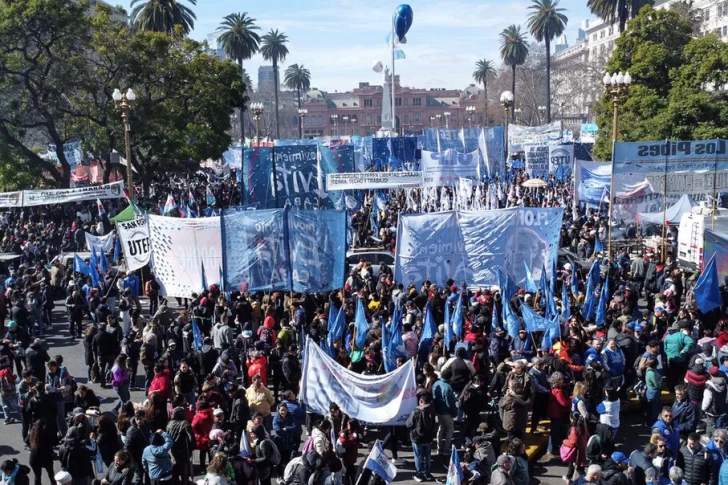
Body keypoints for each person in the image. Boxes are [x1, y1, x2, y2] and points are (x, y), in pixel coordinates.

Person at [407, 390, 436, 482]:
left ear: (421, 401)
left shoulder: (415, 411)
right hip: (428, 438)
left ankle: (419, 474)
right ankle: (428, 473)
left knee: (418, 456)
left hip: (417, 438)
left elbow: (409, 424)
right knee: (428, 456)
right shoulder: (431, 410)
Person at [432, 368, 457, 459]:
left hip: (438, 411)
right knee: (450, 430)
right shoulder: (448, 387)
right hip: (446, 412)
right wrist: (454, 412)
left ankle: (439, 448)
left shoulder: (436, 384)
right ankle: (446, 449)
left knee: (441, 428)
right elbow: (450, 403)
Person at [28, 418, 55, 485]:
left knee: (37, 476)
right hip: (46, 458)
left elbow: (26, 441)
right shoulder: (46, 435)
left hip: (34, 458)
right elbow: (51, 446)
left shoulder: (32, 434)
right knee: (51, 475)